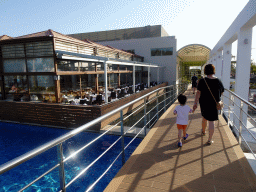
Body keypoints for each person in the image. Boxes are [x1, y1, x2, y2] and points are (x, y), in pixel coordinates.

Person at [193, 64, 224, 145]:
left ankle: (203, 131)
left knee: (204, 118)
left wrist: (195, 103)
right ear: (213, 70)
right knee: (211, 121)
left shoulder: (202, 80)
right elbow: (222, 91)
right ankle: (210, 139)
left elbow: (198, 92)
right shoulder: (218, 81)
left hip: (204, 103)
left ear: (205, 71)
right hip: (214, 104)